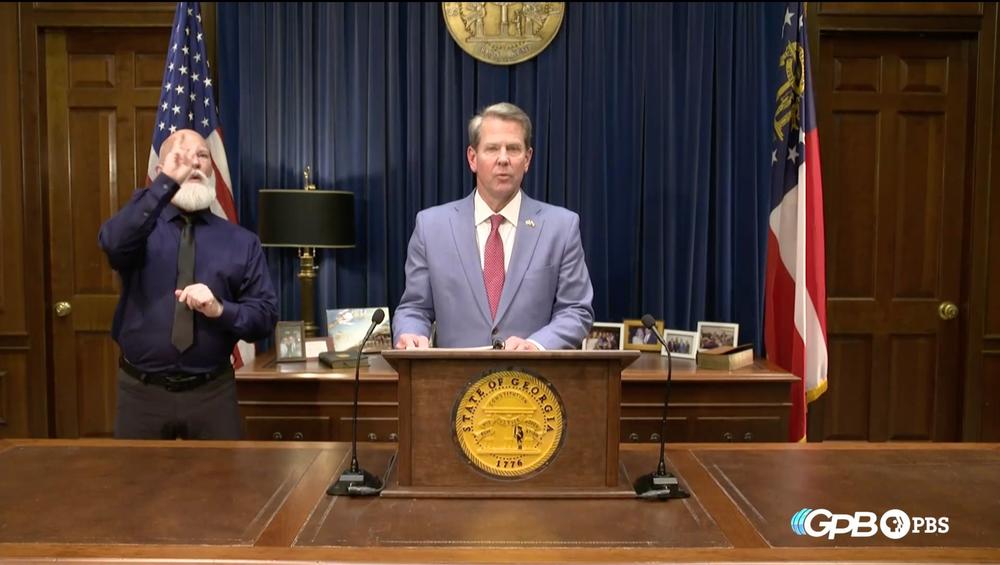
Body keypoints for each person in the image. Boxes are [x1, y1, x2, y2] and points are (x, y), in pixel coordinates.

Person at [99, 129, 278, 440]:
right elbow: (113, 244)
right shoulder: (138, 229)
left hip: (212, 395)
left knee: (221, 487)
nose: (193, 163)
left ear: (213, 169)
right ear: (160, 171)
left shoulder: (241, 242)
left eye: (202, 156)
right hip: (142, 395)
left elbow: (264, 318)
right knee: (135, 487)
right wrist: (165, 186)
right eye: (179, 157)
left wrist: (220, 309)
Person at [393, 102, 594, 350]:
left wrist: (537, 345)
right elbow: (415, 307)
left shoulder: (561, 227)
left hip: (531, 382)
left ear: (527, 158)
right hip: (452, 384)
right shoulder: (431, 226)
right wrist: (411, 333)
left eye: (513, 149)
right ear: (472, 158)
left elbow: (576, 310)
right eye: (492, 149)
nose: (503, 159)